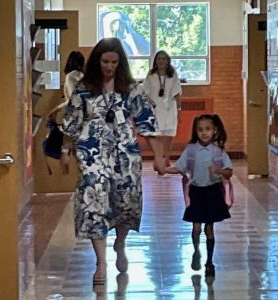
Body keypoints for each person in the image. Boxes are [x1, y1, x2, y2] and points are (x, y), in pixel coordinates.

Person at [59, 37, 164, 286]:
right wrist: (65, 151)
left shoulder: (131, 88)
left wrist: (159, 157)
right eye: (105, 61)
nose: (109, 66)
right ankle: (100, 263)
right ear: (97, 61)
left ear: (121, 62)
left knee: (124, 200)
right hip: (92, 151)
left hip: (124, 153)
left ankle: (120, 242)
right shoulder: (84, 87)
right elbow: (71, 121)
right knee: (93, 199)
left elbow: (147, 123)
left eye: (114, 62)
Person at [164, 114, 233, 277]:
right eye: (200, 129)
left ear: (215, 130)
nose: (204, 133)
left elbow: (229, 172)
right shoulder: (191, 150)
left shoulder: (219, 151)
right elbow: (180, 167)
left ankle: (210, 262)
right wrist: (166, 169)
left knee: (209, 228)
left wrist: (219, 171)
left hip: (212, 191)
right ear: (196, 131)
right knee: (196, 229)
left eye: (208, 129)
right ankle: (196, 250)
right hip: (196, 191)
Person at [143, 50, 182, 167]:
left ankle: (167, 157)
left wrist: (179, 110)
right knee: (157, 135)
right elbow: (145, 92)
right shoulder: (151, 74)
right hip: (156, 108)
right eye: (159, 58)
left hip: (170, 107)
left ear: (168, 61)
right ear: (155, 60)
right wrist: (149, 104)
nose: (161, 61)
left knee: (169, 135)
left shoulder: (173, 74)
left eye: (164, 59)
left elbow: (177, 93)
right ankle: (158, 157)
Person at [47, 50, 85, 117]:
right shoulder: (84, 75)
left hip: (76, 114)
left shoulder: (70, 76)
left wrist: (57, 108)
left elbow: (73, 99)